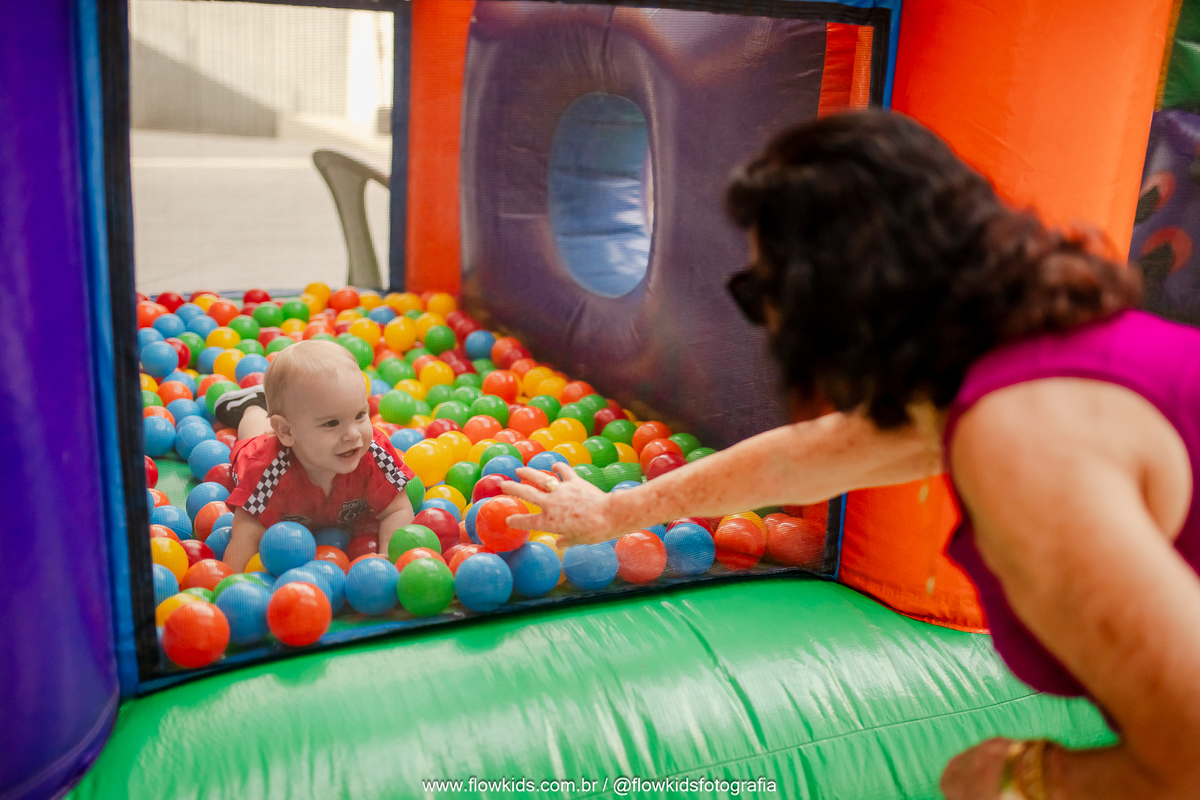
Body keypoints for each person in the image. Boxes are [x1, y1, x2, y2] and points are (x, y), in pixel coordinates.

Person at [501, 111, 1200, 799]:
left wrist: (1023, 779)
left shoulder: (1017, 434)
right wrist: (615, 513)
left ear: (831, 298)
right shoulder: (1013, 364)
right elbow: (807, 458)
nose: (767, 323)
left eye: (759, 293)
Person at [218, 340, 415, 572]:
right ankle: (252, 406)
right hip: (265, 450)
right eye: (332, 423)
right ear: (287, 431)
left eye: (360, 415)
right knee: (256, 433)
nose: (353, 435)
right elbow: (247, 536)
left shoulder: (374, 453)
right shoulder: (265, 472)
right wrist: (234, 583)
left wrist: (389, 561)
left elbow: (397, 510)